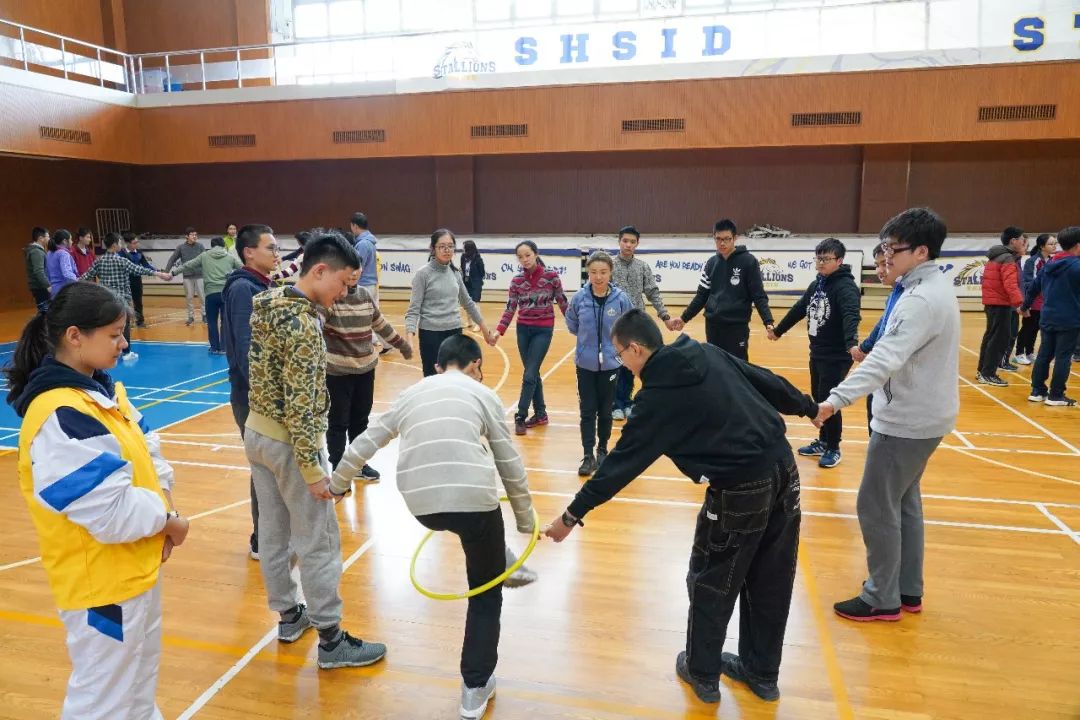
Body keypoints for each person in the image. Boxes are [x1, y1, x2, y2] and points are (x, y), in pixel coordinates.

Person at [544, 308, 817, 704]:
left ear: (636, 349)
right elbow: (763, 378)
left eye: (620, 354)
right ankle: (762, 672)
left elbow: (617, 468)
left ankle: (703, 672)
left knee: (711, 577)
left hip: (740, 487)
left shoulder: (656, 399)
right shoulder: (704, 352)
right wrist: (807, 407)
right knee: (771, 576)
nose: (622, 362)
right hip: (784, 470)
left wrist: (570, 516)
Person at [6, 281, 190, 720]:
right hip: (102, 589)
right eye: (113, 334)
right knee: (104, 701)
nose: (123, 343)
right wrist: (167, 521)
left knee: (137, 687)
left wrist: (166, 509)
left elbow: (151, 452)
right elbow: (107, 513)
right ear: (75, 336)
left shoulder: (103, 394)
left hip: (134, 571)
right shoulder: (59, 414)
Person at [330, 334, 536, 719]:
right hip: (474, 503)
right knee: (485, 592)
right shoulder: (483, 394)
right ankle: (474, 690)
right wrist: (526, 521)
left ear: (439, 366)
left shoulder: (412, 393)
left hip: (422, 504)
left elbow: (365, 442)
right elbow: (509, 461)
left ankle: (503, 558)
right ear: (475, 365)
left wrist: (337, 484)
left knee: (470, 525)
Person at [244, 230, 387, 669]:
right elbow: (302, 407)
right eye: (342, 283)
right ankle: (331, 639)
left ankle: (288, 616)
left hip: (257, 433)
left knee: (273, 531)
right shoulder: (305, 325)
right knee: (319, 539)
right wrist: (312, 469)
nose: (344, 294)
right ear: (319, 270)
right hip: (291, 444)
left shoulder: (268, 303)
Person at [814, 207, 959, 622]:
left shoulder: (918, 301)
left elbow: (883, 361)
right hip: (926, 417)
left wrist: (834, 400)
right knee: (904, 503)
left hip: (907, 423)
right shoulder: (930, 287)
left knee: (875, 505)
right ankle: (908, 589)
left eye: (892, 250)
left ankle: (881, 596)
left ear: (920, 251)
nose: (885, 257)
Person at [768, 238, 861, 469]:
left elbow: (851, 314)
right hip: (817, 352)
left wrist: (851, 343)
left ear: (839, 260)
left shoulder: (845, 287)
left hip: (836, 355)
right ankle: (822, 441)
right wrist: (779, 331)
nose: (820, 263)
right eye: (818, 258)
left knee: (829, 400)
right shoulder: (818, 283)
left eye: (825, 259)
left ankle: (833, 447)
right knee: (818, 396)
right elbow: (800, 308)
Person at [323, 265, 413, 481]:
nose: (354, 273)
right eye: (349, 269)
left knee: (360, 421)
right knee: (338, 421)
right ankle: (337, 466)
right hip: (337, 372)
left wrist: (401, 344)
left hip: (365, 370)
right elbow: (316, 325)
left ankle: (358, 464)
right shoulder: (331, 297)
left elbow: (379, 323)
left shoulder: (364, 295)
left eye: (358, 269)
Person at [222, 224, 278, 560]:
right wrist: (264, 393)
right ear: (249, 252)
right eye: (270, 247)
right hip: (252, 396)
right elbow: (246, 349)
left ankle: (273, 534)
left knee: (273, 466)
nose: (276, 253)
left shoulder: (263, 285)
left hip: (264, 394)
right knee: (264, 468)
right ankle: (262, 539)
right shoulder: (244, 289)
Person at [566, 251, 634, 476]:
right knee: (587, 411)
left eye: (603, 272)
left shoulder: (621, 299)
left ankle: (603, 450)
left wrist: (614, 349)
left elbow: (629, 325)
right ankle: (588, 455)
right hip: (585, 364)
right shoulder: (579, 298)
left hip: (612, 365)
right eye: (593, 272)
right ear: (588, 273)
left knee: (605, 411)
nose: (598, 277)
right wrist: (587, 345)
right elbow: (572, 324)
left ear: (610, 273)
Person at [493, 240, 568, 435]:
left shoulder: (551, 277)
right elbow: (510, 308)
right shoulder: (517, 281)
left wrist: (577, 325)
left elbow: (562, 302)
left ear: (535, 254)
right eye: (520, 257)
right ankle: (541, 414)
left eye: (528, 255)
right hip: (523, 330)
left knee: (529, 374)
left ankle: (520, 415)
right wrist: (499, 331)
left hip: (543, 330)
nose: (524, 259)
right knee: (532, 373)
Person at [610, 225, 682, 421]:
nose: (628, 245)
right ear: (619, 241)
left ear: (637, 244)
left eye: (632, 242)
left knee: (632, 364)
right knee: (615, 364)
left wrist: (665, 317)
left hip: (635, 325)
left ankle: (627, 400)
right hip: (614, 323)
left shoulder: (642, 267)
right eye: (625, 241)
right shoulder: (609, 265)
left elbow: (653, 292)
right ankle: (615, 403)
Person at [405, 229, 496, 377]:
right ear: (433, 249)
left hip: (454, 333)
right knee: (433, 378)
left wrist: (485, 330)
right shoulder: (423, 274)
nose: (447, 250)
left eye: (450, 246)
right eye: (442, 246)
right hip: (430, 335)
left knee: (455, 379)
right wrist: (409, 340)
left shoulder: (455, 273)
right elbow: (413, 310)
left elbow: (468, 303)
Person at [680, 219, 774, 361]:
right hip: (712, 325)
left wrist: (768, 321)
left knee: (738, 368)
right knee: (715, 366)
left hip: (736, 326)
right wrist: (684, 318)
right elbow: (701, 296)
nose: (722, 243)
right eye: (718, 239)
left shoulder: (749, 262)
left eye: (726, 239)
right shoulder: (711, 263)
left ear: (735, 238)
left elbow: (759, 295)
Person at [80, 233, 172, 363]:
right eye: (119, 242)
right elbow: (139, 269)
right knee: (124, 326)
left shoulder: (98, 261)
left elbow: (85, 277)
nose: (121, 245)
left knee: (107, 326)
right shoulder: (121, 260)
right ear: (114, 245)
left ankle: (108, 350)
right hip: (122, 299)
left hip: (106, 300)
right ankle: (126, 352)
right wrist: (160, 274)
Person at [1022, 226, 1080, 407]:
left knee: (1044, 354)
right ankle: (1056, 395)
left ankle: (1037, 391)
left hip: (1047, 316)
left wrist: (1025, 306)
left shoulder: (1049, 264)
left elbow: (1033, 287)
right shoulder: (1076, 267)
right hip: (1070, 318)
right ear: (1078, 245)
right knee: (1063, 356)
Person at [852, 244, 904, 433]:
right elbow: (882, 324)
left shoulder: (908, 296)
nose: (880, 271)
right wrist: (864, 347)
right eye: (877, 265)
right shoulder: (894, 294)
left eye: (885, 264)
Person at [170, 237, 242, 354]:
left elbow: (188, 265)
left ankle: (214, 347)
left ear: (212, 245)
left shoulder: (204, 256)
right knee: (225, 321)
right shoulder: (230, 257)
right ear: (223, 245)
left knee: (212, 321)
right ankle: (224, 348)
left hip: (210, 294)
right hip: (226, 293)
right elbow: (243, 268)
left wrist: (173, 273)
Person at [976, 228, 1026, 386]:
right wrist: (1020, 304)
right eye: (1022, 240)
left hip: (992, 303)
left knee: (991, 336)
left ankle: (982, 371)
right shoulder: (1007, 258)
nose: (1023, 243)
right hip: (1000, 304)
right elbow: (1010, 284)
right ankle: (988, 373)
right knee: (999, 339)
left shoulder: (997, 255)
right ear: (1013, 241)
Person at [1015, 234, 1057, 365]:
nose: (1054, 246)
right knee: (1028, 327)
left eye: (1055, 243)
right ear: (1042, 246)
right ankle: (1019, 353)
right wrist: (1026, 304)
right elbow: (1029, 283)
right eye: (1051, 244)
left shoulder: (1052, 261)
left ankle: (1029, 352)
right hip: (1033, 302)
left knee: (1036, 328)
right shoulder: (1033, 261)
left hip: (1045, 302)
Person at [165, 228, 207, 326]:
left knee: (203, 297)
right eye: (192, 234)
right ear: (187, 236)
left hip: (200, 275)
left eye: (196, 234)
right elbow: (172, 259)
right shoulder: (181, 247)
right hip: (187, 276)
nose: (194, 236)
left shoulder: (200, 246)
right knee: (189, 298)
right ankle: (190, 317)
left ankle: (204, 315)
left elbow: (206, 259)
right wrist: (167, 271)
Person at [120, 234, 157, 328]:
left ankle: (140, 321)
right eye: (134, 243)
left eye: (137, 242)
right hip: (125, 282)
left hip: (137, 281)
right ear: (127, 243)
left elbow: (146, 265)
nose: (136, 245)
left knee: (138, 302)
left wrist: (156, 271)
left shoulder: (139, 253)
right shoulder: (121, 253)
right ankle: (126, 323)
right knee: (125, 303)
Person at [25, 226, 51, 312]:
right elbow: (39, 271)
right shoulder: (37, 252)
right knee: (45, 313)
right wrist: (48, 285)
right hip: (40, 287)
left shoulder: (38, 250)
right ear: (41, 238)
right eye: (48, 236)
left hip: (40, 286)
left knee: (45, 312)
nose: (49, 238)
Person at [46, 230, 79, 298]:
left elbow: (47, 272)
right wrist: (78, 283)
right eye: (70, 239)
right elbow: (67, 274)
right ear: (64, 241)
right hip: (64, 291)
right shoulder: (63, 254)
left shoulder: (49, 253)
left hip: (54, 291)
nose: (72, 242)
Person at [462, 240, 486, 307]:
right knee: (467, 302)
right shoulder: (463, 257)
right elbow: (463, 268)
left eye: (464, 247)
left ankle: (476, 317)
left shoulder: (477, 259)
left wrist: (477, 280)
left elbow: (482, 272)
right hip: (466, 281)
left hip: (476, 282)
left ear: (468, 248)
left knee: (475, 302)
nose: (462, 249)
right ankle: (469, 317)